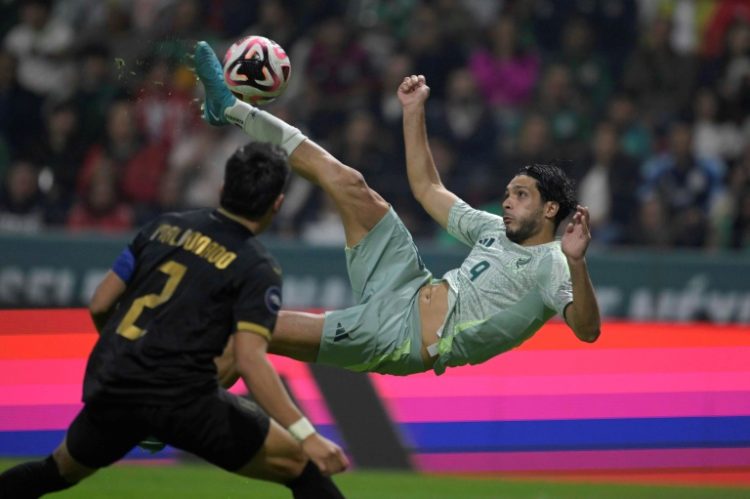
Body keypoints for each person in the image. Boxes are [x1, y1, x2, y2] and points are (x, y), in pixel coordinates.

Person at [193, 41, 600, 379]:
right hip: (407, 282)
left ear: (550, 209)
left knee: (261, 325)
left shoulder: (554, 265)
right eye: (509, 192)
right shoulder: (493, 228)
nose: (508, 200)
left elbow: (587, 331)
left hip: (398, 337)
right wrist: (412, 111)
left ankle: (174, 405)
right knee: (348, 182)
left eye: (521, 195)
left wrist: (576, 263)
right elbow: (427, 188)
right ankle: (230, 108)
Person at [0, 142, 348, 499]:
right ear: (277, 204)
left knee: (54, 471)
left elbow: (101, 303)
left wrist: (130, 352)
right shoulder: (257, 267)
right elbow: (249, 358)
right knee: (301, 467)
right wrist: (306, 434)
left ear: (223, 189)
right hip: (184, 400)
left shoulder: (163, 227)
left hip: (115, 385)